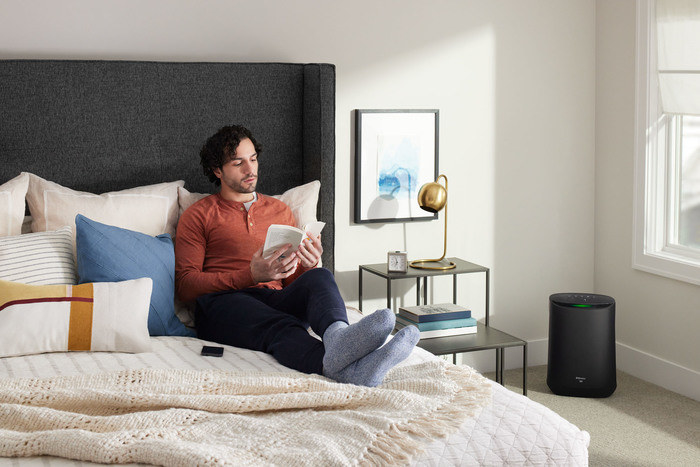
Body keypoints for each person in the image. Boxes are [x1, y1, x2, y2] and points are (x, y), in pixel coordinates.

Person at [175, 125, 419, 387]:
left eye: (253, 159)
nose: (250, 169)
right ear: (217, 170)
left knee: (320, 276)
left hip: (273, 297)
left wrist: (307, 263)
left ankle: (338, 341)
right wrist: (250, 275)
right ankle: (343, 367)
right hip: (223, 306)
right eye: (238, 163)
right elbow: (186, 286)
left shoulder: (279, 211)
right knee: (281, 326)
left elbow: (292, 282)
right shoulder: (199, 215)